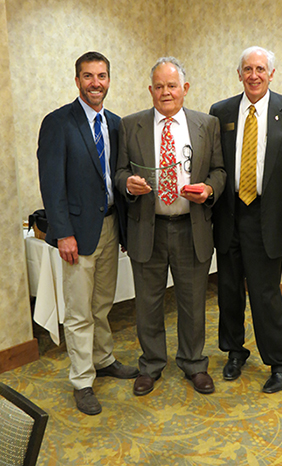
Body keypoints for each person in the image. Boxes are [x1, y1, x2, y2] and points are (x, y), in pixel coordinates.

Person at [116, 57, 226, 396]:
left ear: (185, 89)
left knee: (193, 302)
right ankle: (150, 365)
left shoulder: (207, 125)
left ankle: (194, 363)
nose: (166, 92)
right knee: (147, 303)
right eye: (159, 86)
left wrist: (208, 190)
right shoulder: (129, 125)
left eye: (172, 85)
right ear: (150, 90)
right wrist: (127, 184)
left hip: (191, 227)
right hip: (148, 227)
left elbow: (219, 171)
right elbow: (119, 172)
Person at [37, 51, 139, 415]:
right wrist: (62, 232)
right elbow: (52, 184)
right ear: (77, 80)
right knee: (79, 311)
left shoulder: (115, 123)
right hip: (77, 235)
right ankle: (82, 379)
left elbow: (116, 176)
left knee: (101, 305)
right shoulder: (58, 123)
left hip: (111, 227)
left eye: (102, 76)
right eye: (88, 76)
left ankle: (104, 359)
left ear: (109, 79)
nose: (96, 83)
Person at [210, 46, 282, 393]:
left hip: (268, 220)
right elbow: (216, 167)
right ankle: (235, 351)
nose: (253, 75)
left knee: (265, 294)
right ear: (238, 74)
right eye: (246, 69)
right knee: (228, 291)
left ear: (271, 74)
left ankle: (281, 362)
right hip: (229, 216)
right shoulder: (221, 112)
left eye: (260, 69)